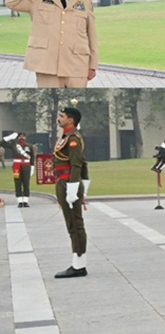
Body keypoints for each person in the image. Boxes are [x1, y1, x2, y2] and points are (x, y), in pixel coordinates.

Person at [4, 0, 98, 88]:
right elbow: (10, 2)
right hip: (47, 65)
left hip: (77, 64)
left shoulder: (85, 0)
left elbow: (91, 35)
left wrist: (93, 65)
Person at [53, 106, 90, 278]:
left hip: (69, 183)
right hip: (64, 182)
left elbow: (78, 165)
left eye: (62, 116)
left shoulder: (73, 138)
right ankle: (77, 262)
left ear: (71, 120)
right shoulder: (66, 137)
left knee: (75, 224)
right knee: (71, 223)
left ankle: (79, 265)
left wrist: (74, 190)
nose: (59, 118)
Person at [5, 133, 34, 207]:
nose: (22, 137)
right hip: (16, 166)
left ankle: (26, 201)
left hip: (26, 166)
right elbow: (1, 143)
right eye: (20, 136)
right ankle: (20, 201)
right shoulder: (13, 145)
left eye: (23, 136)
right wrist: (9, 137)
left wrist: (32, 167)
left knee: (26, 183)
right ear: (17, 138)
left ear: (25, 137)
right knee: (17, 183)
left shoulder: (30, 146)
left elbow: (32, 157)